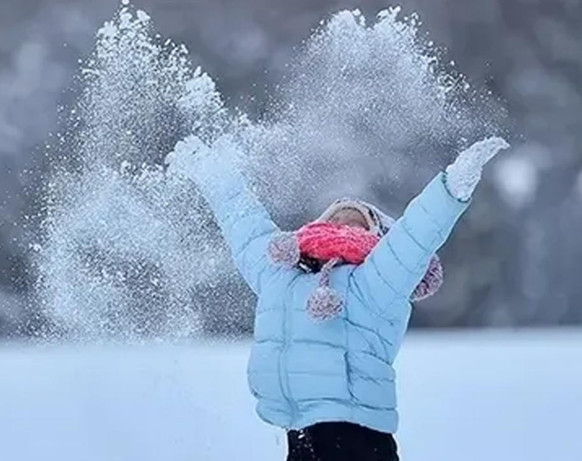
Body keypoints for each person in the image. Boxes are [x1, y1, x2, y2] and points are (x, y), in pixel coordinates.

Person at [169, 134, 508, 461]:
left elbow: (415, 236)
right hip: (299, 432)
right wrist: (214, 174)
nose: (345, 224)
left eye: (358, 222)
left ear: (377, 239)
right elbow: (246, 227)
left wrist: (451, 187)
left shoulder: (376, 280)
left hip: (358, 435)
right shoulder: (281, 273)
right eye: (336, 218)